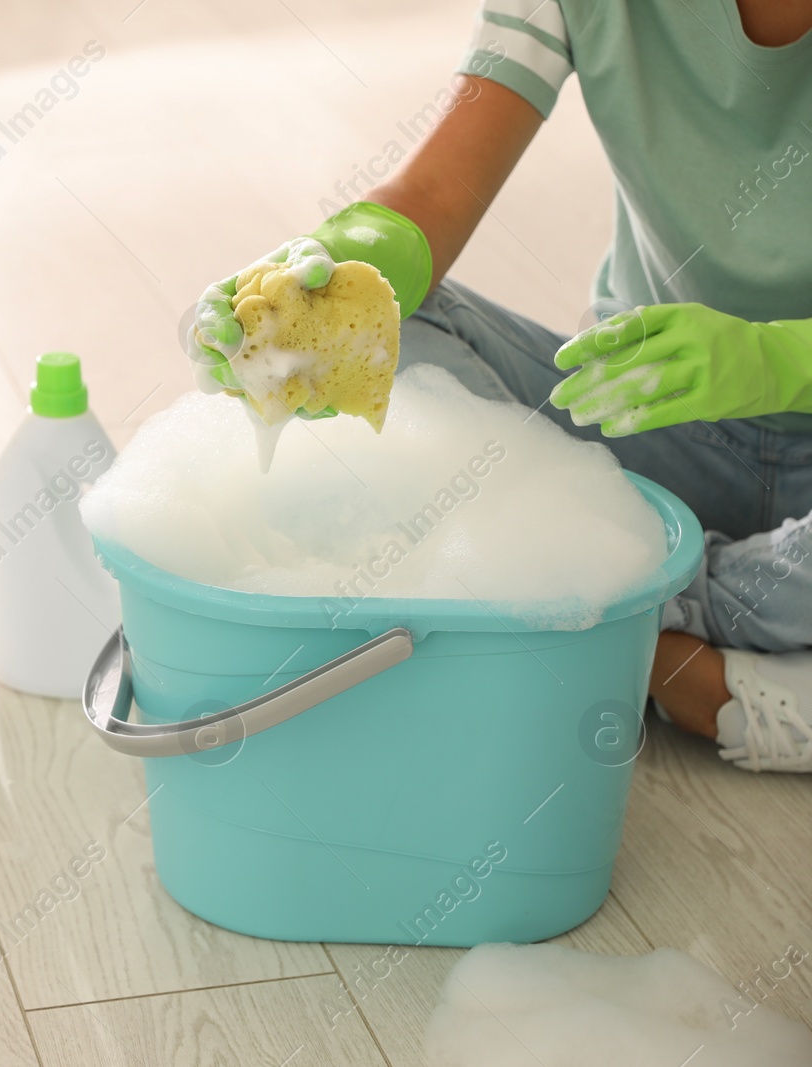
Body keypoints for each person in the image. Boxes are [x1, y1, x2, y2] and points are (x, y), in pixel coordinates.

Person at [189, 0, 812, 771]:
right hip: (646, 412)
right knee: (407, 332)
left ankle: (636, 626)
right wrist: (309, 290)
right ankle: (678, 628)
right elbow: (437, 195)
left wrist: (781, 360)